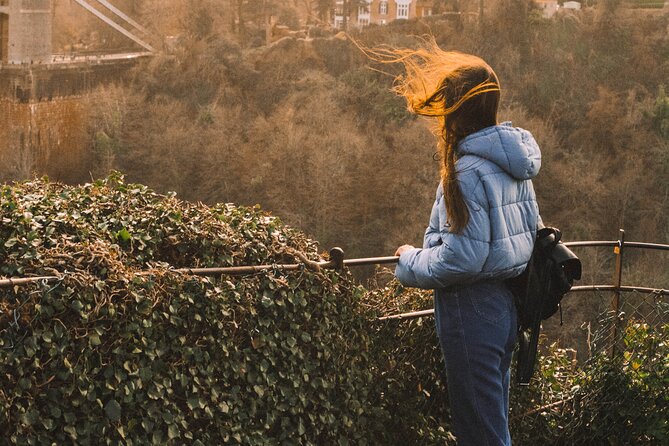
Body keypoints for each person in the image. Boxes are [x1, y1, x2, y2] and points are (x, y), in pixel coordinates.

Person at [389, 42, 541, 446]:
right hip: (504, 306)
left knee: (481, 434)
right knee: (492, 426)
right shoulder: (511, 163)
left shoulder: (468, 171)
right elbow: (529, 232)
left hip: (471, 311)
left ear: (456, 112)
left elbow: (462, 259)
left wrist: (409, 260)